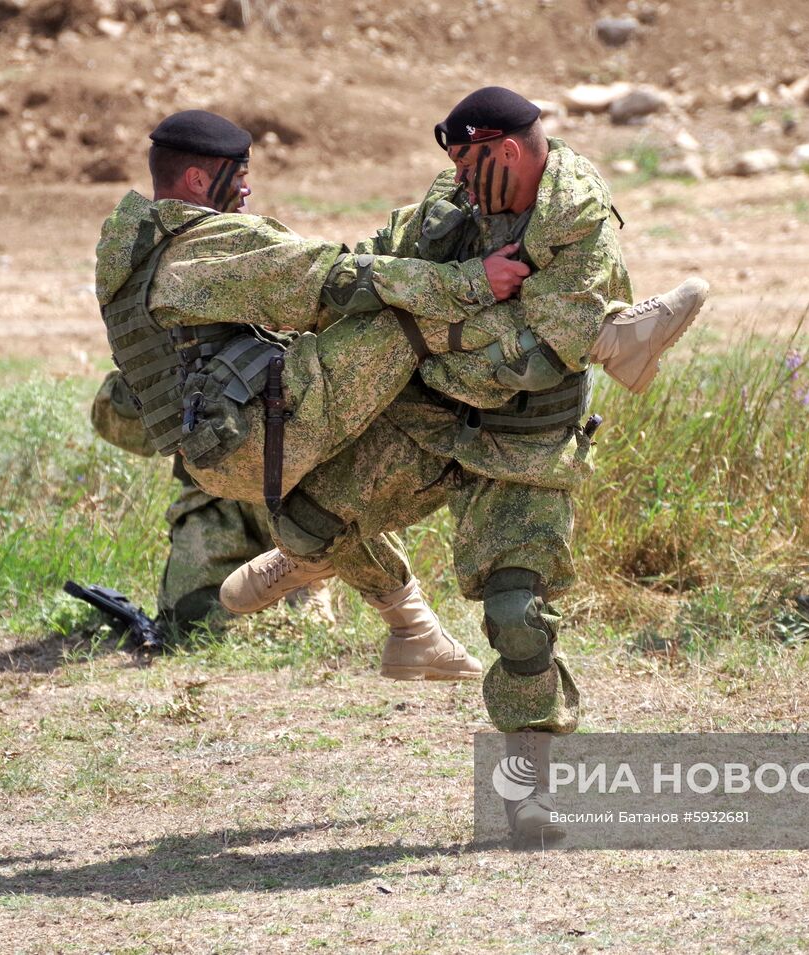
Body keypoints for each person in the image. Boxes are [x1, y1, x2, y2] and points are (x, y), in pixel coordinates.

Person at [221, 88, 707, 842]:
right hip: (429, 419)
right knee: (305, 517)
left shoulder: (575, 216)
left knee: (518, 617)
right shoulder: (454, 197)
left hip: (523, 444)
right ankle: (309, 556)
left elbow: (541, 354)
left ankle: (528, 796)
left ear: (507, 151)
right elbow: (387, 266)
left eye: (467, 161)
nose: (454, 178)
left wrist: (438, 330)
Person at [97, 108, 700, 678]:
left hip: (214, 451)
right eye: (242, 177)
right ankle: (606, 337)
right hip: (258, 434)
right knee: (399, 323)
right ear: (200, 177)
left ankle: (410, 631)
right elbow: (329, 282)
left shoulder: (134, 249)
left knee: (335, 505)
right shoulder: (205, 248)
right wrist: (468, 279)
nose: (248, 191)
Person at [90, 373, 333, 634]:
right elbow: (121, 429)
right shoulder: (174, 334)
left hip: (288, 487)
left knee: (308, 623)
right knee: (190, 617)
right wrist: (149, 375)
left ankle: (309, 581)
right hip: (211, 496)